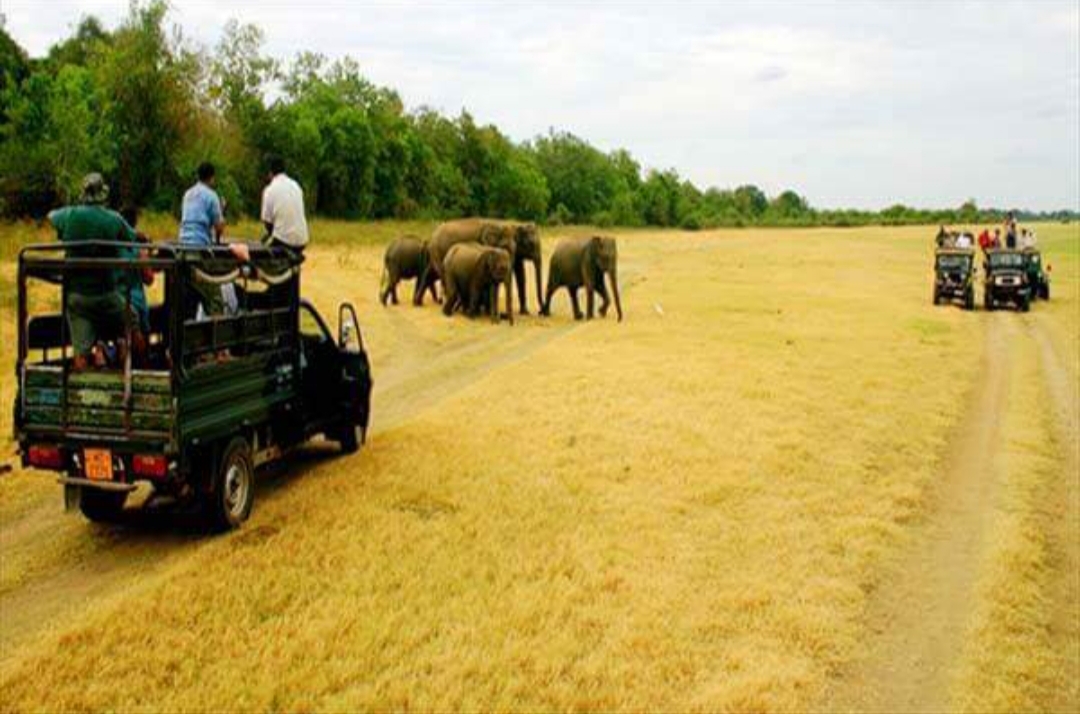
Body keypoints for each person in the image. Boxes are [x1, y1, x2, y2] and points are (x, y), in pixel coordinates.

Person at [47, 173, 138, 371]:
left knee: (80, 352)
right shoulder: (113, 218)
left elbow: (51, 216)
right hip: (106, 296)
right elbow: (132, 238)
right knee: (132, 321)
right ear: (102, 194)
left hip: (78, 297)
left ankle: (79, 383)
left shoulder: (69, 215)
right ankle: (137, 368)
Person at [179, 162, 230, 316]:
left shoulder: (188, 194)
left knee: (190, 295)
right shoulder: (212, 195)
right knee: (215, 300)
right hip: (200, 250)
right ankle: (218, 324)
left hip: (182, 248)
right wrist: (222, 210)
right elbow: (219, 227)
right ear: (212, 178)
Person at [260, 155, 309, 254]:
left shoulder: (269, 190)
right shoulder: (296, 185)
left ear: (270, 172)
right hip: (303, 240)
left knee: (262, 254)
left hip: (283, 242)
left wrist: (271, 233)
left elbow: (267, 221)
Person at [119, 207, 154, 339]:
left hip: (114, 299)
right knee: (144, 333)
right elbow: (149, 279)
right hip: (135, 301)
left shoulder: (112, 248)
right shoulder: (138, 250)